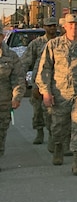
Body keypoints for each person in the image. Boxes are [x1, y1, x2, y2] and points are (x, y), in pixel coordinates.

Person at [35, 14, 77, 175]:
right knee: (58, 126)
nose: (74, 27)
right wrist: (45, 92)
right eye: (70, 24)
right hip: (59, 94)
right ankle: (58, 147)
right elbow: (44, 69)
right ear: (64, 26)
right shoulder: (53, 45)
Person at [19, 16, 58, 146]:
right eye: (49, 26)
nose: (52, 28)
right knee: (38, 109)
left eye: (54, 25)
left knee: (55, 111)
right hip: (39, 80)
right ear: (44, 27)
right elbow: (25, 61)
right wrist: (22, 78)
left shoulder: (60, 42)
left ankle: (53, 135)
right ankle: (39, 132)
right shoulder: (36, 43)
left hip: (57, 81)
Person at [0, 31, 25, 170]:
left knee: (1, 133)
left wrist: (17, 97)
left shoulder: (11, 56)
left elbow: (18, 78)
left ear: (2, 37)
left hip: (4, 102)